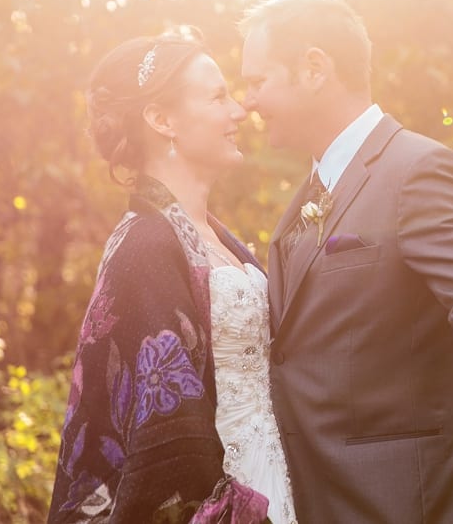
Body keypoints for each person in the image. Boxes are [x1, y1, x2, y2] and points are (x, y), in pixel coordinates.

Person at [239, 0, 453, 522]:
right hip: (318, 499)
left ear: (314, 69)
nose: (248, 101)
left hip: (404, 502)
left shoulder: (417, 171)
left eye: (257, 81)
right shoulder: (303, 200)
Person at [48, 32, 294, 523]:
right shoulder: (144, 245)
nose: (239, 112)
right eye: (217, 96)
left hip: (279, 479)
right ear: (162, 120)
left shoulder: (222, 240)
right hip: (228, 499)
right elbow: (163, 432)